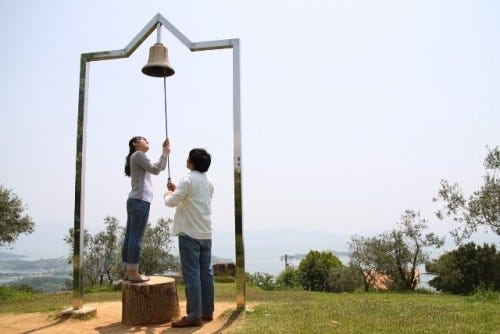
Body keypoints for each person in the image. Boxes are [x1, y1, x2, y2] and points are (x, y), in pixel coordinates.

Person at [164, 148, 214, 328]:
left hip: (189, 233)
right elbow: (193, 198)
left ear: (191, 162)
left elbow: (172, 202)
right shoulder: (209, 182)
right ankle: (207, 312)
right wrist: (177, 190)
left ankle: (193, 316)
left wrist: (168, 194)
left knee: (192, 274)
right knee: (206, 273)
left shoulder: (187, 179)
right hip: (206, 232)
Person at [122, 136, 170, 283]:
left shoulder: (136, 157)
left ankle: (127, 270)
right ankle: (133, 272)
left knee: (130, 236)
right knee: (136, 237)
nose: (147, 142)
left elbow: (159, 167)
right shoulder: (139, 155)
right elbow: (156, 169)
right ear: (135, 144)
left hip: (134, 200)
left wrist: (165, 153)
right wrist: (164, 153)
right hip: (140, 201)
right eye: (144, 140)